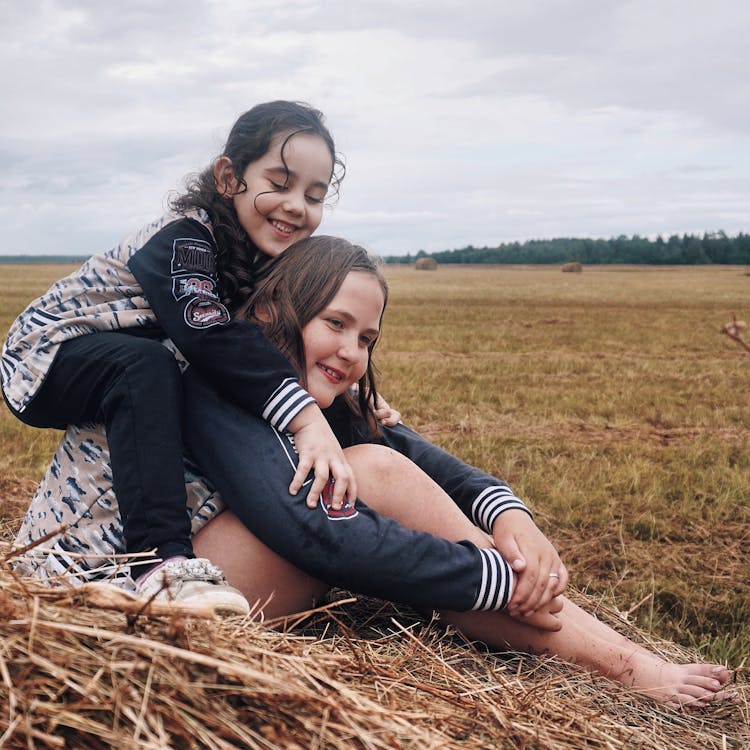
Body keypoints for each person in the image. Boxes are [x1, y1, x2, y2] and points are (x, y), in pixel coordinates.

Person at [13, 237, 733, 707]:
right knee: (371, 483)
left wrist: (514, 520)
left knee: (381, 471)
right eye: (334, 324)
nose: (353, 350)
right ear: (270, 312)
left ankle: (605, 646)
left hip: (157, 584)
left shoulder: (314, 402)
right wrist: (498, 577)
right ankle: (620, 665)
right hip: (98, 605)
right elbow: (315, 535)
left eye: (367, 337)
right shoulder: (216, 381)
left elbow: (428, 460)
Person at [1, 101, 377, 614]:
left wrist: (351, 400)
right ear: (228, 177)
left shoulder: (250, 256)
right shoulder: (184, 237)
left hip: (112, 358)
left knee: (152, 372)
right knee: (144, 368)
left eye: (313, 196)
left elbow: (264, 345)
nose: (296, 205)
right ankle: (162, 563)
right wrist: (305, 414)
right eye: (280, 182)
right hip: (44, 358)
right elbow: (207, 333)